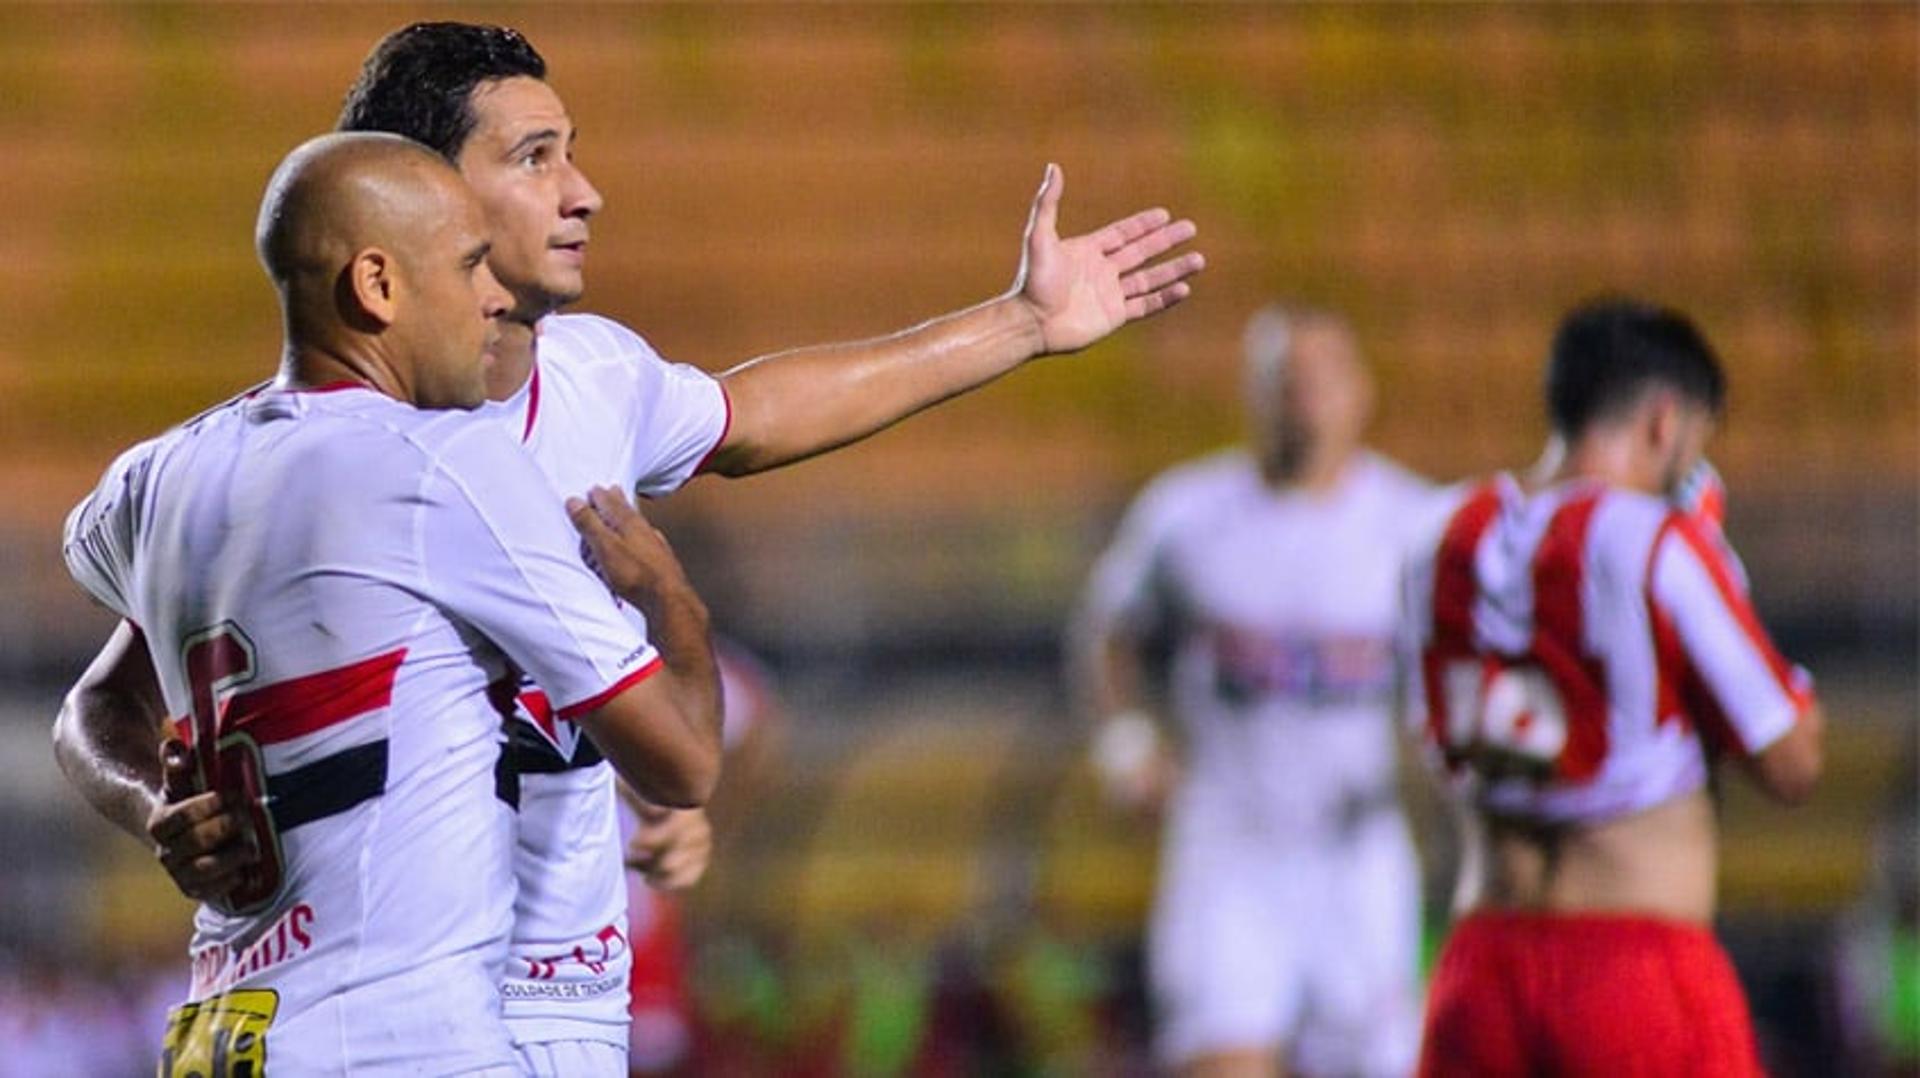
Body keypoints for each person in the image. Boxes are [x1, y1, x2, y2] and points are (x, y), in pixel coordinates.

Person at [53, 20, 1205, 1077]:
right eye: (537, 156)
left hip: (471, 1003)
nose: (584, 193)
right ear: (420, 198)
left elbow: (755, 416)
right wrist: (160, 799)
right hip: (431, 1019)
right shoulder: (405, 464)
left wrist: (1020, 323)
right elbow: (105, 704)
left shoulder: (588, 380)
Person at [59, 132, 723, 1074]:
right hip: (397, 1043)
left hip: (223, 1037)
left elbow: (89, 709)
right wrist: (669, 597)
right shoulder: (447, 465)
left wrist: (150, 804)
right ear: (377, 285)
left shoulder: (153, 479)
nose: (496, 298)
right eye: (468, 267)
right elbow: (684, 763)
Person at [1402, 298, 1824, 1077]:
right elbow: (1791, 765)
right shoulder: (1657, 543)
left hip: (1479, 968)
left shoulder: (1437, 534)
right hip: (1633, 971)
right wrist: (1718, 564)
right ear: (1667, 422)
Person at [1070, 305, 1440, 1077]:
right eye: (1283, 379)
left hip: (1356, 854)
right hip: (1229, 850)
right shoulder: (1188, 515)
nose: (1302, 398)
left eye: (1320, 379)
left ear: (1361, 392)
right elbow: (1108, 629)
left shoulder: (1415, 526)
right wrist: (1125, 745)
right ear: (1251, 391)